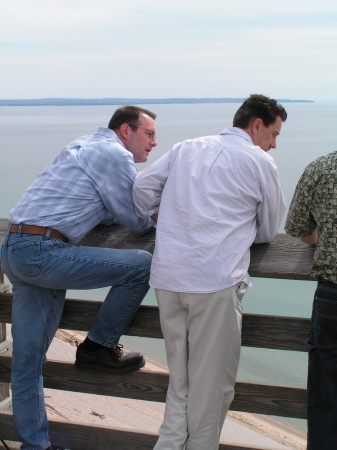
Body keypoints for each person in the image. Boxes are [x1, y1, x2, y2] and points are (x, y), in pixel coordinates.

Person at [132, 94, 287, 449]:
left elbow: (142, 188)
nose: (274, 144)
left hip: (169, 278)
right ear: (257, 125)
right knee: (214, 389)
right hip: (215, 281)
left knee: (181, 383)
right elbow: (267, 230)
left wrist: (161, 219)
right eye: (274, 134)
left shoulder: (187, 147)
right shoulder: (259, 161)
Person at [0, 105, 157, 450]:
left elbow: (92, 207)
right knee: (143, 264)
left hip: (14, 246)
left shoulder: (83, 145)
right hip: (42, 251)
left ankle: (36, 445)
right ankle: (98, 347)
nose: (154, 143)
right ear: (126, 131)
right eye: (149, 134)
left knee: (28, 361)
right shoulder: (115, 155)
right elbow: (137, 221)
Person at [285, 151, 337, 450]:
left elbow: (296, 228)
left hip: (332, 295)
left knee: (326, 397)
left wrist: (328, 235)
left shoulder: (321, 167)